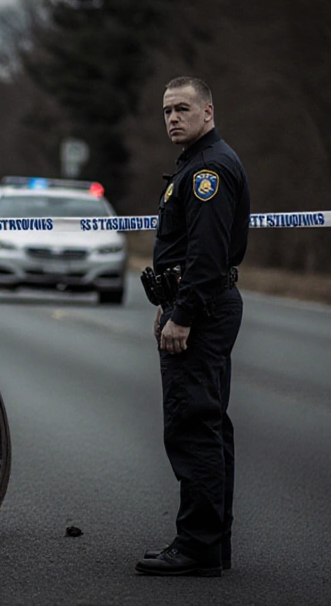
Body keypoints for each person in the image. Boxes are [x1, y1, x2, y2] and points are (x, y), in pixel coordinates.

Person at [135, 76, 250, 578]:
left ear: (209, 110)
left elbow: (206, 254)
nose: (173, 118)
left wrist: (182, 314)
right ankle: (212, 543)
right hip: (200, 302)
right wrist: (170, 303)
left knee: (192, 425)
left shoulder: (208, 171)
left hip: (202, 309)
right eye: (166, 111)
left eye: (183, 108)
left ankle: (198, 546)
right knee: (207, 424)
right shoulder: (198, 165)